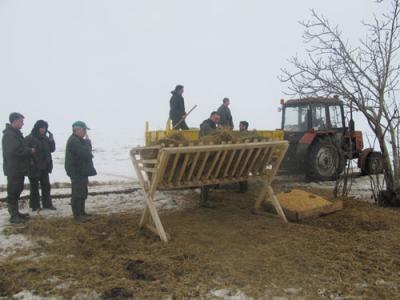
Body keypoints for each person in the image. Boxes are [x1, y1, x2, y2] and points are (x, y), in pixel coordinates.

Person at [2, 112, 35, 224]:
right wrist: (29, 150)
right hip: (13, 169)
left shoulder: (15, 134)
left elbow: (20, 147)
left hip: (18, 169)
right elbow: (14, 150)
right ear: (14, 121)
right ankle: (13, 215)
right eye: (21, 121)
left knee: (17, 190)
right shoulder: (9, 135)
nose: (23, 123)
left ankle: (16, 213)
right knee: (13, 192)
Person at [65, 121, 97, 222]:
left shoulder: (78, 140)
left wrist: (87, 144)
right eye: (84, 130)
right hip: (76, 171)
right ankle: (77, 215)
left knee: (82, 192)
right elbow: (85, 154)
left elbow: (86, 152)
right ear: (77, 129)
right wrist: (88, 142)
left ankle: (81, 212)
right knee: (78, 192)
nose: (85, 132)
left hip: (80, 170)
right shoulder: (74, 140)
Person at [25, 120, 56, 211]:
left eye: (45, 127)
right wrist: (30, 155)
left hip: (44, 167)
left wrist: (51, 140)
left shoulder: (46, 138)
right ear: (37, 128)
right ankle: (35, 206)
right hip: (34, 166)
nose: (43, 129)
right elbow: (24, 150)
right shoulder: (29, 138)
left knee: (46, 186)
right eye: (41, 127)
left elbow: (52, 149)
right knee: (34, 188)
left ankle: (47, 204)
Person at [199, 111, 220, 208]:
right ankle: (204, 201)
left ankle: (205, 198)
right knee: (205, 175)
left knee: (208, 175)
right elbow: (211, 137)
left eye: (218, 119)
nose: (216, 121)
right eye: (215, 118)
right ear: (211, 116)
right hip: (205, 154)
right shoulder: (206, 126)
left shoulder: (212, 126)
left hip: (210, 153)